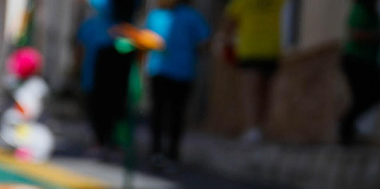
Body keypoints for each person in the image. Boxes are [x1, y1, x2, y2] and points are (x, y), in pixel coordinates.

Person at [144, 0, 211, 166]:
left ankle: (172, 154)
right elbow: (145, 41)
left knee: (176, 114)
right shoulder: (155, 16)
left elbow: (205, 41)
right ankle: (156, 151)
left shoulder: (191, 16)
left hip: (183, 72)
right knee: (158, 113)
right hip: (159, 71)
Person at [222, 0, 286, 143]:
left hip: (261, 49)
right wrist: (227, 44)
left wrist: (227, 43)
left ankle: (257, 128)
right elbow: (230, 22)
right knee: (258, 92)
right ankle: (256, 128)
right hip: (258, 49)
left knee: (257, 92)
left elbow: (230, 23)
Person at [86, 0, 143, 156]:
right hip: (117, 48)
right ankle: (107, 140)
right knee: (112, 97)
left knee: (110, 98)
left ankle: (107, 140)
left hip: (115, 48)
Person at [339, 0, 380, 145]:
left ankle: (349, 129)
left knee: (374, 94)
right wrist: (375, 36)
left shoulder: (374, 12)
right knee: (362, 98)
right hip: (356, 60)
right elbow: (356, 34)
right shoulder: (360, 9)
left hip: (368, 61)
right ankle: (346, 130)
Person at [74, 1, 114, 149]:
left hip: (95, 75)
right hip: (97, 75)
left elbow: (79, 50)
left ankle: (100, 140)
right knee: (100, 108)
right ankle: (102, 139)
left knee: (95, 108)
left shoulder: (93, 25)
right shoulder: (113, 26)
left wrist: (77, 67)